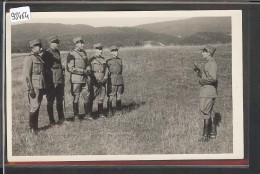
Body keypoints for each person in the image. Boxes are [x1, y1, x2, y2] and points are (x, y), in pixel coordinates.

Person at [193, 45, 218, 140]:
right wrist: (198, 71)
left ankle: (205, 136)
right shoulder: (208, 63)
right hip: (206, 90)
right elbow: (206, 76)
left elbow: (213, 78)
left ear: (209, 53)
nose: (202, 53)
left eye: (204, 51)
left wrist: (201, 81)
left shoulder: (212, 64)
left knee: (205, 112)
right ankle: (211, 133)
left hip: (208, 91)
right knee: (205, 111)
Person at [66, 37, 92, 121]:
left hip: (84, 78)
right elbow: (70, 68)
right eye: (81, 43)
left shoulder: (84, 52)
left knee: (86, 96)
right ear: (76, 44)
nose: (83, 45)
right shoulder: (71, 54)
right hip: (76, 79)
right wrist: (83, 71)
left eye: (83, 43)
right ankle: (76, 116)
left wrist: (88, 69)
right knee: (76, 97)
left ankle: (87, 115)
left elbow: (87, 63)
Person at [42, 36, 66, 125]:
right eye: (56, 43)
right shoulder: (46, 54)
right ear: (51, 43)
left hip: (59, 78)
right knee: (51, 100)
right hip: (52, 79)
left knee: (60, 99)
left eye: (58, 42)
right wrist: (48, 83)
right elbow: (45, 70)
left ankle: (61, 118)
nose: (58, 44)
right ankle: (51, 121)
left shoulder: (57, 52)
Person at [23, 39, 45, 133]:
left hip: (40, 85)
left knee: (38, 105)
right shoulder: (29, 58)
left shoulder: (39, 58)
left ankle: (35, 127)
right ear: (33, 47)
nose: (41, 48)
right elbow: (26, 75)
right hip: (34, 87)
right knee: (34, 106)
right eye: (39, 47)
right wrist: (30, 88)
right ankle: (32, 128)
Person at [89, 43, 109, 118]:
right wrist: (94, 79)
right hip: (95, 81)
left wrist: (105, 78)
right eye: (98, 49)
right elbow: (89, 71)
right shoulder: (91, 60)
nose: (100, 51)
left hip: (102, 80)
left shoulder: (104, 60)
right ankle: (90, 114)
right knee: (92, 97)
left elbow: (107, 70)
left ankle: (100, 113)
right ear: (95, 50)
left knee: (101, 97)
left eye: (101, 49)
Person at [106, 46, 124, 116]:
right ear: (111, 52)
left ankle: (118, 111)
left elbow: (121, 70)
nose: (115, 52)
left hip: (119, 79)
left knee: (119, 95)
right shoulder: (108, 61)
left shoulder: (120, 60)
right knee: (111, 95)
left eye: (116, 51)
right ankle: (109, 111)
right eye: (113, 51)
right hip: (112, 80)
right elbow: (107, 72)